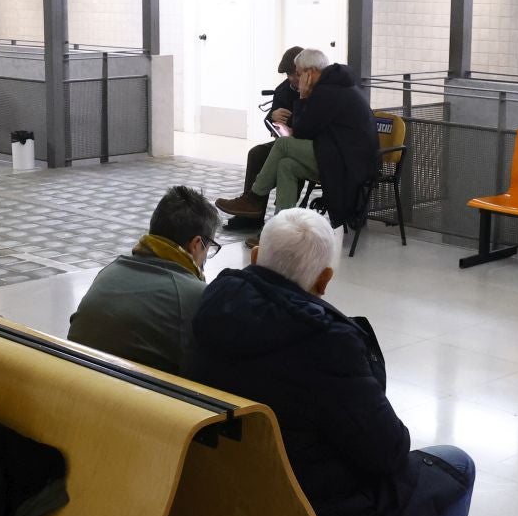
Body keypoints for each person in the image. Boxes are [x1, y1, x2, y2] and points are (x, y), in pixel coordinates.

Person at [186, 209, 474, 516]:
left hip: (231, 513)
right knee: (454, 464)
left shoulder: (212, 303)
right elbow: (388, 454)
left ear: (257, 255)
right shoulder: (328, 342)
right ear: (323, 281)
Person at [67, 186, 220, 375]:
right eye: (209, 248)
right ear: (197, 244)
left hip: (71, 383)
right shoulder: (194, 294)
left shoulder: (110, 271)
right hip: (131, 399)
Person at [216, 49, 379, 226]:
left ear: (311, 72)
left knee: (283, 145)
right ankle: (281, 227)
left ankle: (254, 198)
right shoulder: (334, 84)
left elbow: (302, 131)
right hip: (338, 153)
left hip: (348, 161)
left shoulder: (328, 91)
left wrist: (303, 96)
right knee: (287, 166)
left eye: (299, 74)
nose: (297, 79)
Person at [222, 47, 304, 227]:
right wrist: (272, 117)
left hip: (301, 144)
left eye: (295, 74)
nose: (292, 79)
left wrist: (290, 119)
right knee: (256, 153)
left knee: (286, 158)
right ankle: (251, 214)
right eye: (289, 74)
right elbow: (269, 121)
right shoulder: (283, 90)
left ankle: (257, 203)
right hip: (284, 140)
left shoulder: (314, 91)